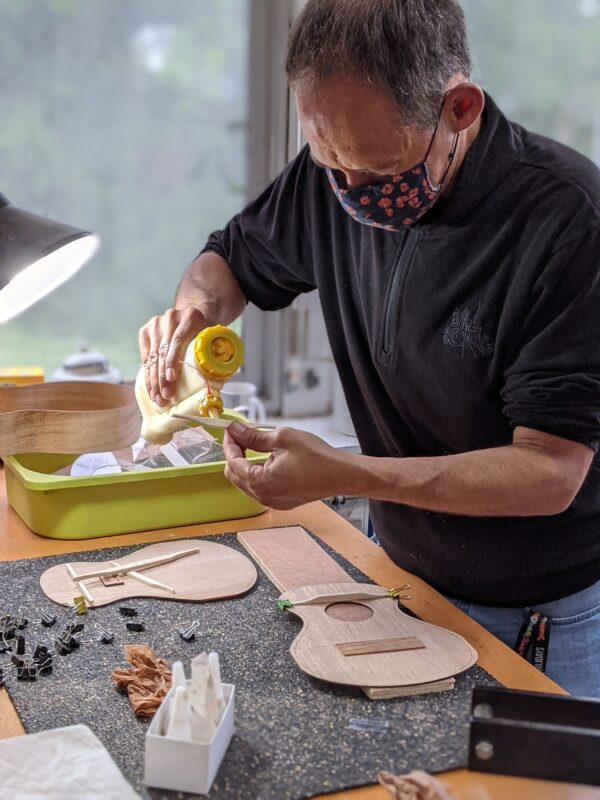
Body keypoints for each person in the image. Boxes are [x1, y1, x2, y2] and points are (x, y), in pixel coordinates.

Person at [139, 0, 600, 696]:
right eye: (329, 163)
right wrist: (191, 313)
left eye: (376, 174)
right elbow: (229, 263)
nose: (349, 196)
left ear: (460, 108)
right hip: (395, 572)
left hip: (533, 614)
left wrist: (347, 475)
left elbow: (549, 473)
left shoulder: (569, 223)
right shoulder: (339, 165)